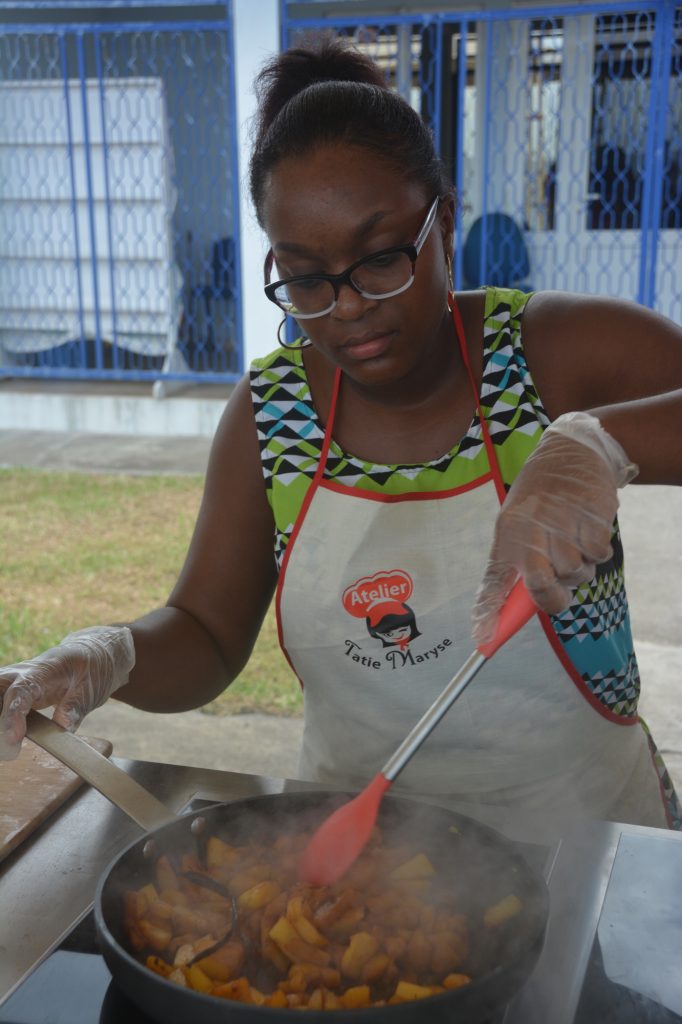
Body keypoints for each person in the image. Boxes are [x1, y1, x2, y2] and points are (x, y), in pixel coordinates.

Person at [1, 39, 681, 832]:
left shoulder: (554, 352)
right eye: (306, 277)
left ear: (445, 221)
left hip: (591, 839)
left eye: (382, 257)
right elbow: (209, 635)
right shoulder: (271, 412)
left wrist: (601, 443)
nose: (348, 306)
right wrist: (108, 655)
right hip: (362, 857)